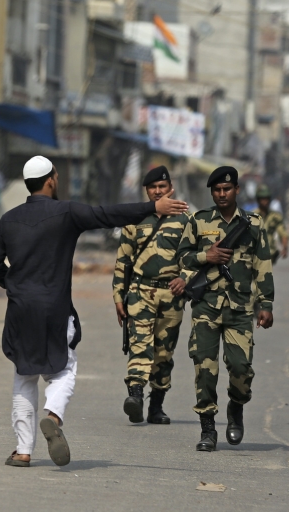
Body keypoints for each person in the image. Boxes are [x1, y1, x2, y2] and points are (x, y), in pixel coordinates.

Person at [0, 156, 188, 468]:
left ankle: (23, 450)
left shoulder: (8, 219)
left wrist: (14, 286)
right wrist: (152, 207)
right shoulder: (66, 212)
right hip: (55, 308)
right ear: (51, 180)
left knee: (24, 375)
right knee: (64, 369)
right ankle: (54, 415)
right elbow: (107, 215)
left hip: (20, 309)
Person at [177, 166, 274, 452]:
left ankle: (236, 407)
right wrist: (206, 255)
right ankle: (208, 428)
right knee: (204, 368)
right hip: (206, 305)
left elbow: (262, 264)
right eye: (217, 190)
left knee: (241, 369)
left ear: (237, 190)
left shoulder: (253, 224)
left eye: (227, 189)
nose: (222, 194)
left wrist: (266, 303)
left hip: (240, 308)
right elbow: (182, 256)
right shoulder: (199, 220)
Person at [112, 166, 189, 424]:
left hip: (172, 295)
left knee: (164, 353)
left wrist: (185, 278)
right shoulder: (135, 218)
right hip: (140, 292)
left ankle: (156, 406)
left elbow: (194, 258)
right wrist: (118, 296)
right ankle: (135, 397)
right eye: (153, 187)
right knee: (140, 346)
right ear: (146, 191)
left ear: (171, 188)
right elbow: (123, 260)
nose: (158, 191)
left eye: (162, 186)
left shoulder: (185, 220)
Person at [255, 184, 289, 263]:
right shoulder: (252, 215)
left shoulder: (275, 217)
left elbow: (283, 233)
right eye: (263, 199)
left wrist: (285, 248)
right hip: (255, 253)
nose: (265, 201)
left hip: (269, 253)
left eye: (267, 199)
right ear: (258, 200)